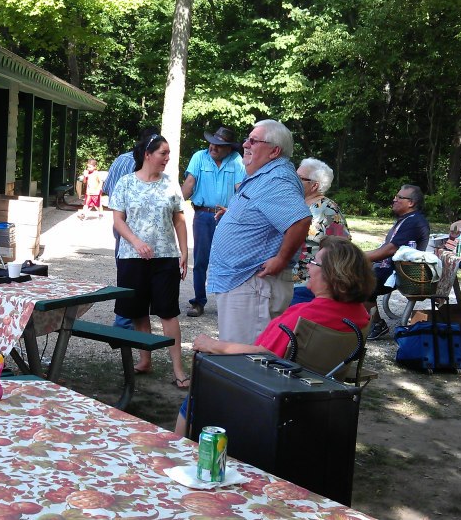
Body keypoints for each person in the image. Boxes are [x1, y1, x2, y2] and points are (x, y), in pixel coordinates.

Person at [175, 236, 374, 435]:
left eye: (314, 262)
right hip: (317, 392)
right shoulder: (360, 315)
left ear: (331, 275)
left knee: (199, 390)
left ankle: (178, 450)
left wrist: (214, 345)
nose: (309, 267)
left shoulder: (305, 317)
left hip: (273, 390)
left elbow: (264, 355)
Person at [207, 119, 312, 345]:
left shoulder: (276, 178)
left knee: (244, 355)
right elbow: (265, 209)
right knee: (235, 351)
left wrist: (282, 259)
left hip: (254, 283)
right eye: (247, 139)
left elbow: (300, 220)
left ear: (274, 151)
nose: (245, 144)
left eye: (253, 141)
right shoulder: (265, 174)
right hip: (245, 281)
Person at [108, 134, 190, 388]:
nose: (167, 158)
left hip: (166, 256)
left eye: (168, 153)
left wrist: (184, 251)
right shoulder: (125, 183)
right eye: (163, 153)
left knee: (168, 312)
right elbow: (118, 220)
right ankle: (145, 360)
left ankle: (178, 368)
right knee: (138, 312)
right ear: (148, 154)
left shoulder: (170, 184)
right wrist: (136, 242)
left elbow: (179, 219)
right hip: (132, 257)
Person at [181, 126, 245, 318]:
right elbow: (189, 184)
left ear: (229, 148)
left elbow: (240, 189)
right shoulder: (199, 157)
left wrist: (239, 213)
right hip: (203, 215)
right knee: (201, 260)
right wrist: (172, 209)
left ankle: (228, 303)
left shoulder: (236, 160)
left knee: (229, 259)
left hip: (228, 216)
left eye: (219, 145)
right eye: (212, 143)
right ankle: (199, 302)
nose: (213, 147)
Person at [102, 126, 160, 332]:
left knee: (126, 271)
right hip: (133, 225)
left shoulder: (119, 160)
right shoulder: (141, 165)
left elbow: (107, 188)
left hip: (119, 223)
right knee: (134, 274)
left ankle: (127, 320)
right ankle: (124, 323)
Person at [364, 184, 430, 340]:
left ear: (411, 203)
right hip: (390, 268)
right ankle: (369, 321)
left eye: (399, 197)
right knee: (350, 274)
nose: (394, 199)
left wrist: (358, 256)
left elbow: (389, 250)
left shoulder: (414, 221)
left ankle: (377, 324)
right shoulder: (407, 219)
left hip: (402, 272)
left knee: (357, 281)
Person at [291, 157, 351, 305]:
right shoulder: (295, 203)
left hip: (306, 284)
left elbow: (342, 248)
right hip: (283, 278)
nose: (292, 180)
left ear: (314, 185)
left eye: (298, 178)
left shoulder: (327, 209)